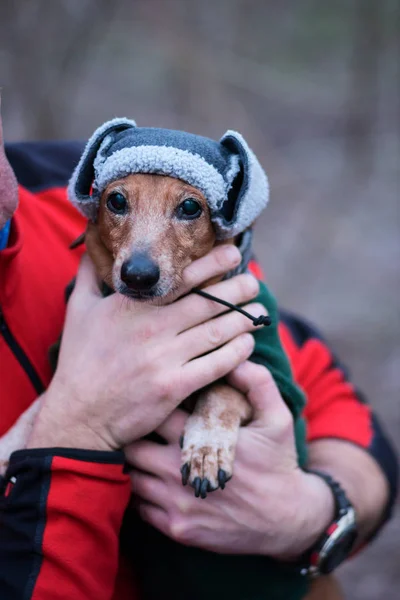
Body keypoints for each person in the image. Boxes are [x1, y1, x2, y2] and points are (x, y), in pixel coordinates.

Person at [0, 101, 397, 600]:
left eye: (188, 209)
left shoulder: (76, 179)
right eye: (119, 204)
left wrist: (310, 515)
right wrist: (75, 426)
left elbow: (325, 394)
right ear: (102, 210)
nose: (139, 260)